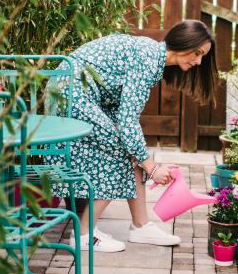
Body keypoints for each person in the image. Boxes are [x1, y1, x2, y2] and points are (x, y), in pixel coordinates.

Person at [62, 19, 218, 252]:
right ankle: (84, 234)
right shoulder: (147, 58)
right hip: (71, 91)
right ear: (182, 42)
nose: (198, 61)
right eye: (196, 53)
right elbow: (127, 120)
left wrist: (144, 159)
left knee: (132, 147)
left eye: (202, 56)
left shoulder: (151, 56)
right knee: (122, 149)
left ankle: (141, 226)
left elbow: (120, 110)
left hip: (79, 93)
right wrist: (152, 168)